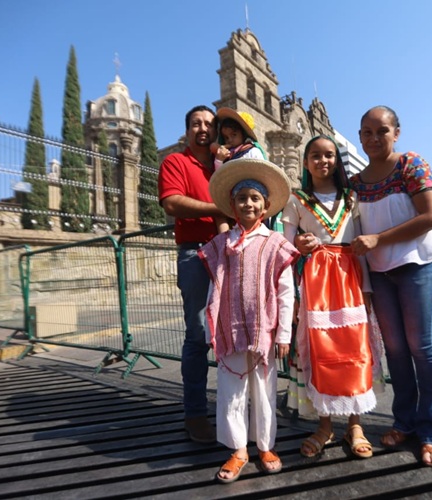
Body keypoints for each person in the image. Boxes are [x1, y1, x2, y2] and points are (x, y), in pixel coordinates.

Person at [349, 105, 432, 468]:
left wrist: (379, 239)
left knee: (422, 347)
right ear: (360, 137)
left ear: (396, 133)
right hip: (380, 273)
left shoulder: (411, 165)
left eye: (382, 131)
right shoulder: (356, 183)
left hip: (418, 266)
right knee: (395, 350)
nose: (374, 138)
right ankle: (405, 422)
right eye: (367, 132)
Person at [282, 135, 384, 460]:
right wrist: (299, 246)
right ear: (305, 161)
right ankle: (324, 425)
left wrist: (367, 289)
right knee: (321, 350)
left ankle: (355, 425)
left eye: (329, 155)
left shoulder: (351, 198)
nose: (322, 161)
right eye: (315, 155)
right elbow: (285, 249)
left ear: (337, 161)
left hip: (351, 279)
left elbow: (360, 246)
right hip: (315, 284)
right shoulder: (295, 200)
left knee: (355, 349)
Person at [199, 157, 299, 483]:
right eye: (242, 198)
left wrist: (284, 334)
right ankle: (239, 449)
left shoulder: (276, 243)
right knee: (231, 390)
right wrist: (211, 330)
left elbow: (286, 293)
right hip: (229, 330)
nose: (248, 204)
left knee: (264, 390)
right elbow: (214, 289)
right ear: (232, 205)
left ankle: (266, 446)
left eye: (255, 198)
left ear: (266, 206)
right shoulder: (222, 244)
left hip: (263, 331)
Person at [157, 105, 223, 444]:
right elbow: (171, 202)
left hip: (229, 252)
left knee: (234, 334)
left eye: (209, 123)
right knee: (197, 334)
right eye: (196, 123)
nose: (203, 128)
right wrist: (219, 208)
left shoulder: (224, 164)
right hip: (195, 252)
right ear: (187, 131)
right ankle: (195, 414)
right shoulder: (175, 162)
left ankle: (231, 409)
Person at [210, 108, 267, 233]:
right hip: (236, 201)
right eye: (226, 137)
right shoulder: (227, 155)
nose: (230, 140)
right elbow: (221, 177)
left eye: (234, 135)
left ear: (243, 134)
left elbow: (263, 173)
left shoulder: (253, 151)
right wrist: (219, 160)